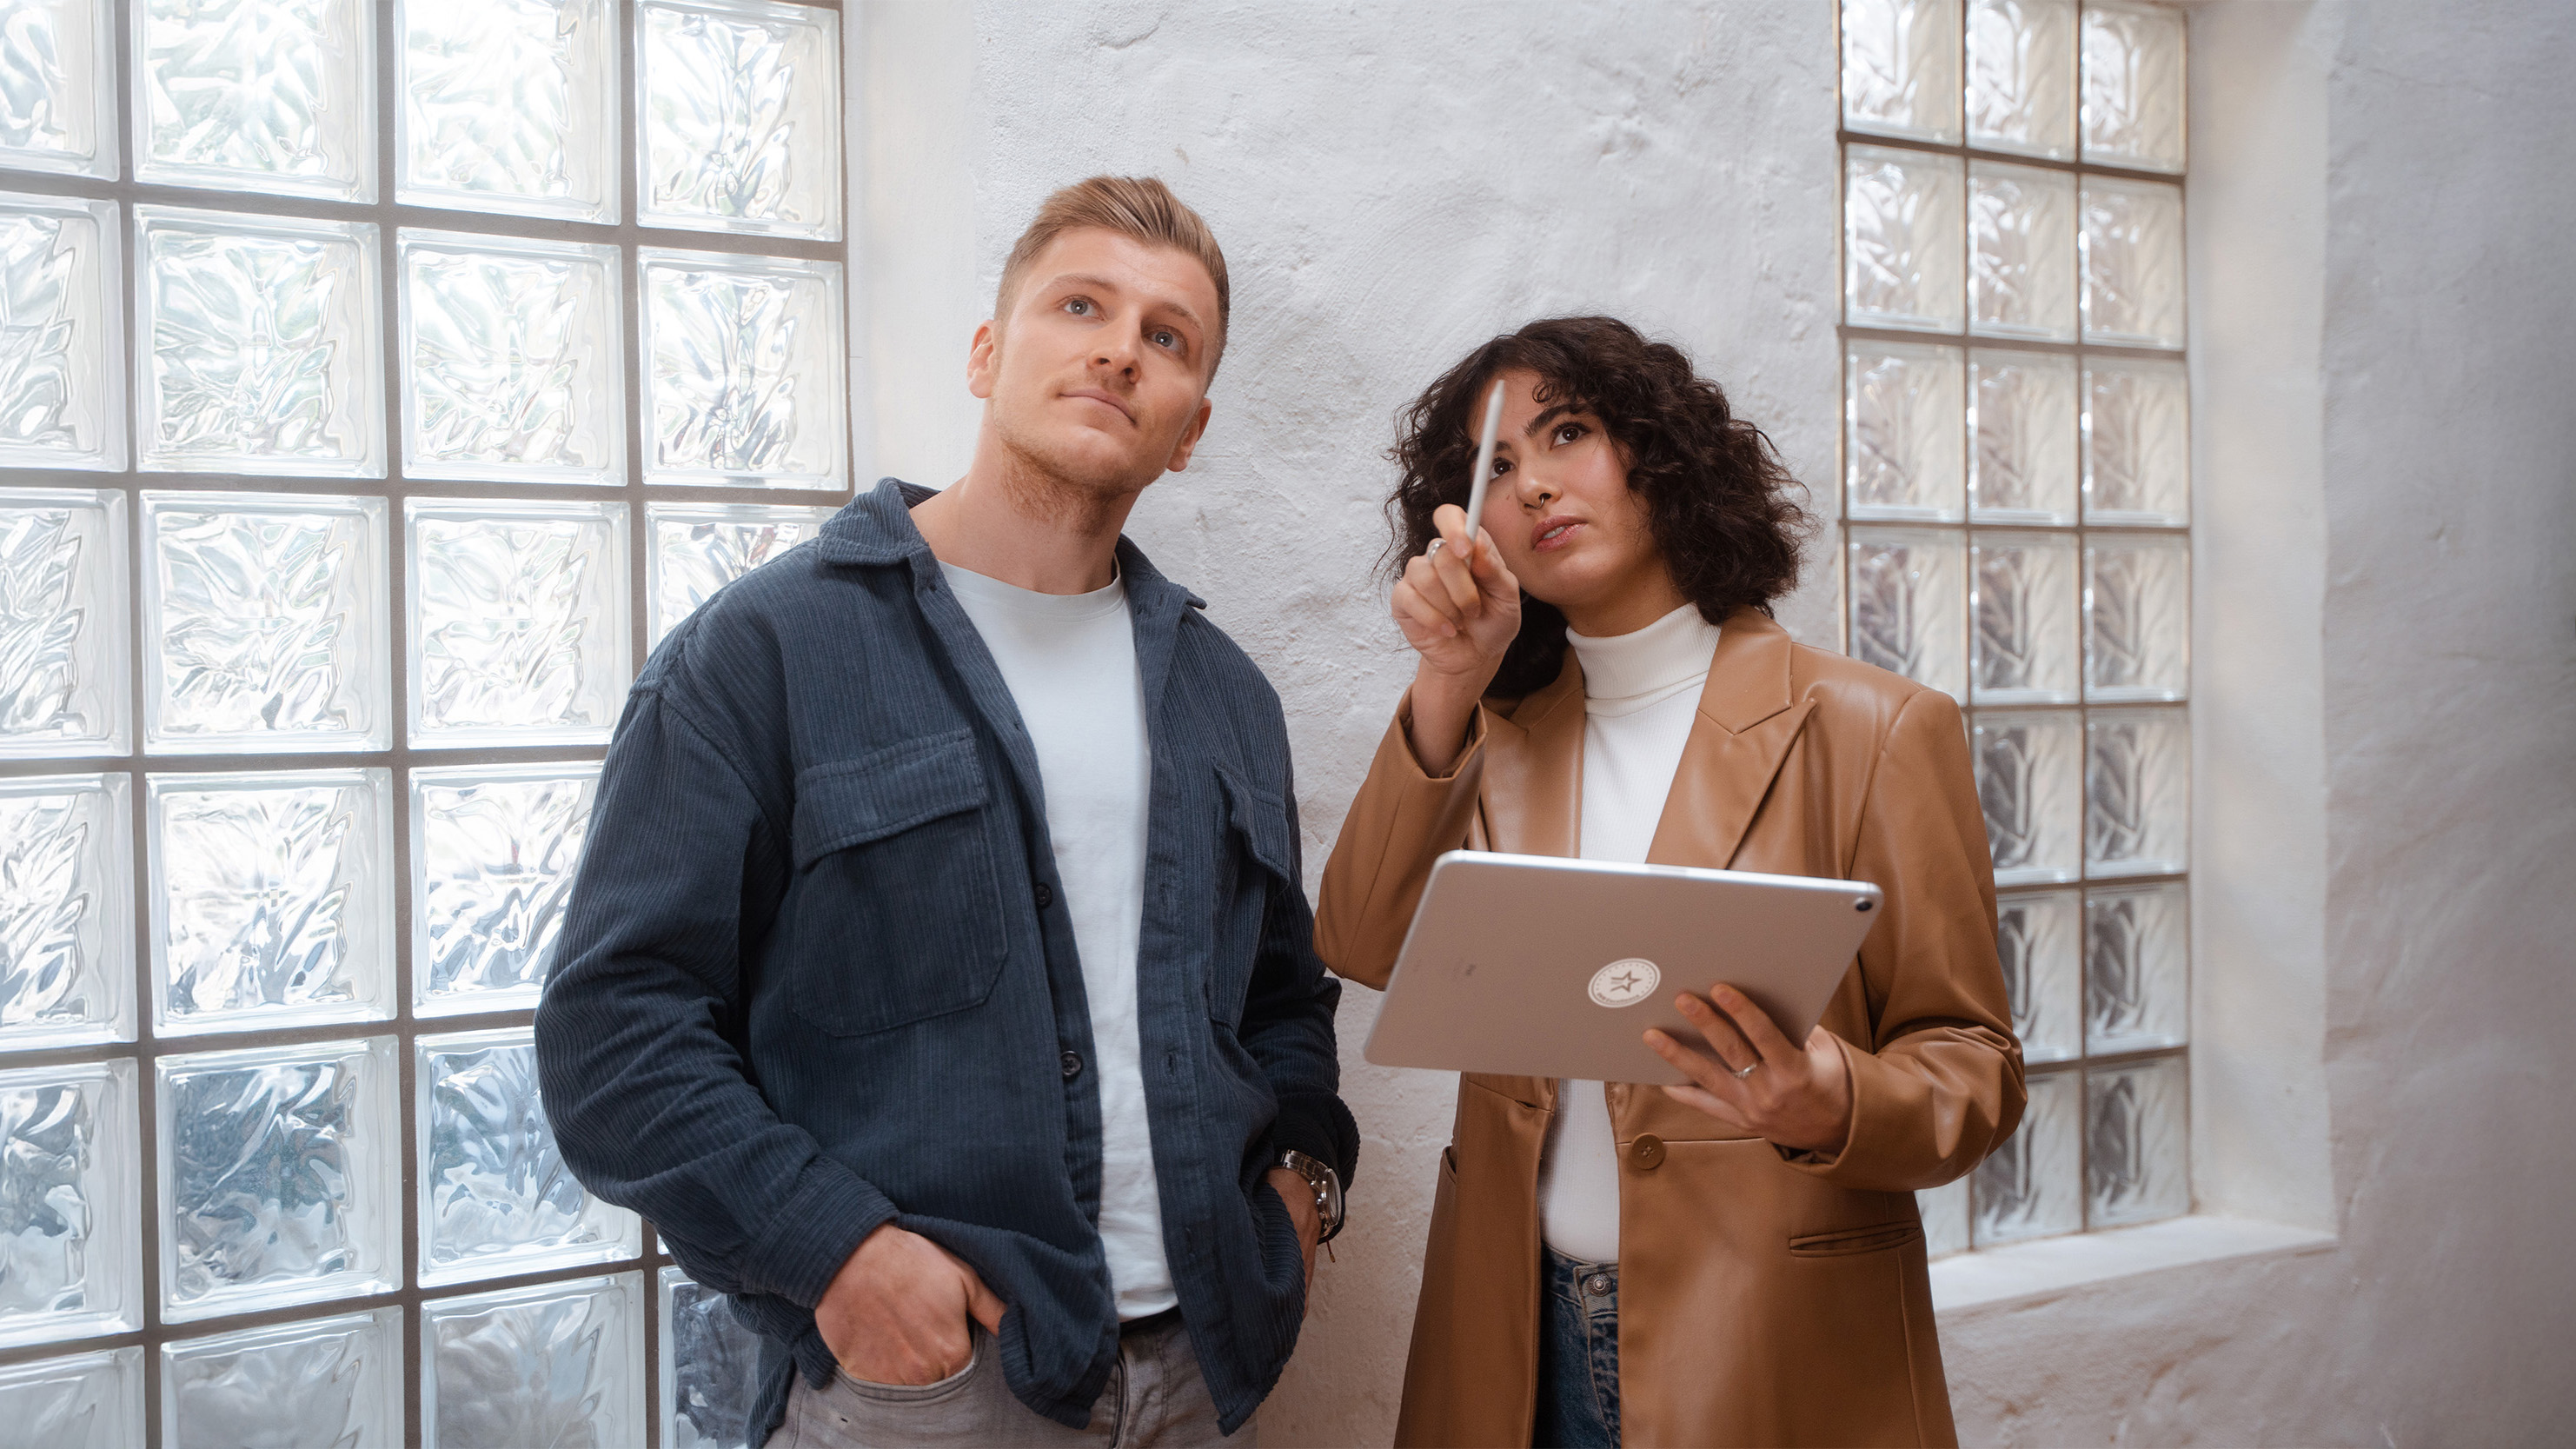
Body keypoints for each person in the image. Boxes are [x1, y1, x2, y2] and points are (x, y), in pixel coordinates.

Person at [536, 176, 1358, 1449]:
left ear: (1191, 427)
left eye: (1167, 337)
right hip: (928, 1391)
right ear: (988, 353)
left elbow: (1285, 1004)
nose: (1118, 349)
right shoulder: (765, 652)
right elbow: (616, 1031)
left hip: (1202, 1374)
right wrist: (843, 1260)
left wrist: (1303, 1199)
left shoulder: (1225, 697)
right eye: (1080, 304)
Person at [1315, 316, 2023, 1448]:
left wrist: (1834, 1100)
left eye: (1569, 433)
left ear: (1662, 454)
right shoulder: (1497, 733)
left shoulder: (1877, 731)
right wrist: (1451, 679)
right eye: (1496, 468)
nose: (1535, 484)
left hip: (1766, 1346)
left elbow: (1975, 1069)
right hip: (1511, 1343)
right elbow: (1362, 941)